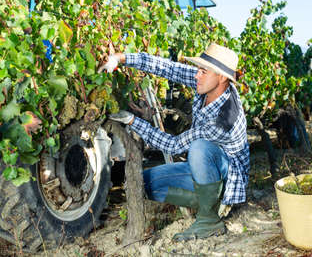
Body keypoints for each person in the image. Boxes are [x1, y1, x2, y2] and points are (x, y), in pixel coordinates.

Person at [98, 43, 250, 241]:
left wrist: (132, 121)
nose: (196, 75)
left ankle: (209, 219)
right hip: (203, 170)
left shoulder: (224, 119)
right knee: (142, 183)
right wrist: (120, 58)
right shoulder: (207, 83)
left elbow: (173, 145)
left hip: (227, 178)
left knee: (199, 147)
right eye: (198, 70)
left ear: (221, 77)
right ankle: (206, 202)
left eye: (203, 72)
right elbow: (167, 68)